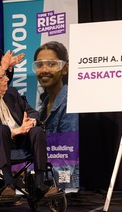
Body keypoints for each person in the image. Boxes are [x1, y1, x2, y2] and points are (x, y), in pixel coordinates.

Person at [0, 63, 58, 198]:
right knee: (1, 129)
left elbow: (32, 112)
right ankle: (8, 184)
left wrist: (31, 122)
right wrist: (16, 131)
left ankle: (40, 184)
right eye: (2, 77)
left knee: (37, 131)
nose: (7, 79)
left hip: (22, 140)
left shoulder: (12, 92)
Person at [32, 41, 79, 188]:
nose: (44, 70)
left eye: (51, 64)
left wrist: (33, 175)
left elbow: (68, 159)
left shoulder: (70, 102)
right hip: (48, 182)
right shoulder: (42, 107)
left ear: (65, 69)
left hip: (63, 186)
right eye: (39, 65)